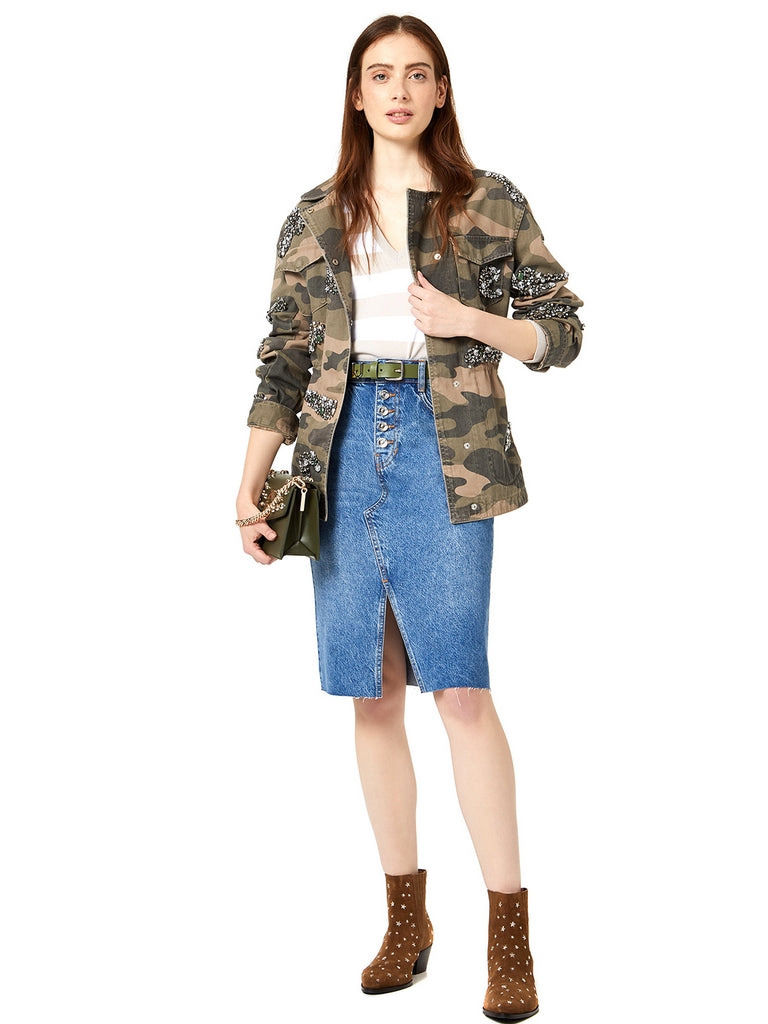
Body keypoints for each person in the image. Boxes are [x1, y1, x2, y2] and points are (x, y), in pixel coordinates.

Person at [236, 15, 582, 1021]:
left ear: (441, 91)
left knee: (461, 689)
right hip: (338, 452)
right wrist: (248, 483)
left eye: (417, 74)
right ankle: (405, 920)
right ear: (356, 93)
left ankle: (510, 938)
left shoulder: (488, 202)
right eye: (379, 74)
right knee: (373, 693)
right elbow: (282, 360)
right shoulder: (313, 216)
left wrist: (472, 321)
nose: (398, 90)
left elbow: (562, 332)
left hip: (449, 453)